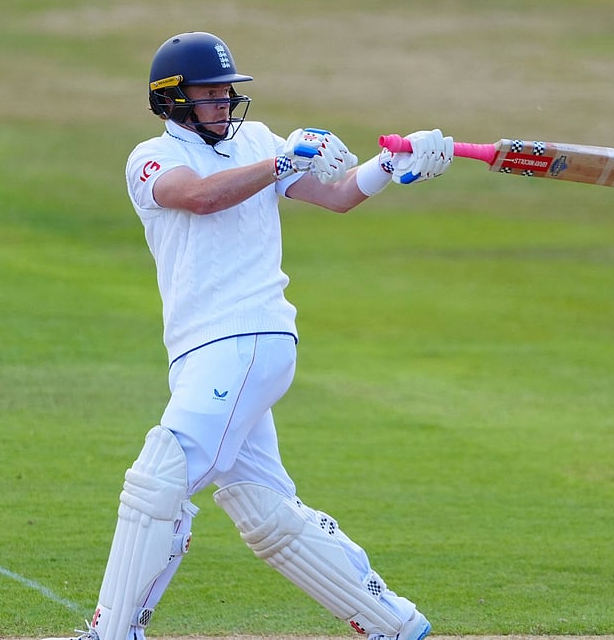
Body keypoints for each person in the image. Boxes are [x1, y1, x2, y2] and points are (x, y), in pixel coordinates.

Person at [48, 31, 452, 640]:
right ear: (172, 99)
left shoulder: (259, 141)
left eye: (227, 92)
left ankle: (111, 634)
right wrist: (285, 162)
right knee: (261, 505)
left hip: (246, 337)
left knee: (161, 476)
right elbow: (199, 197)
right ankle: (393, 623)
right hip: (204, 351)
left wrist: (391, 166)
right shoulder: (150, 158)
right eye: (210, 94)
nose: (224, 103)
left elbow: (339, 194)